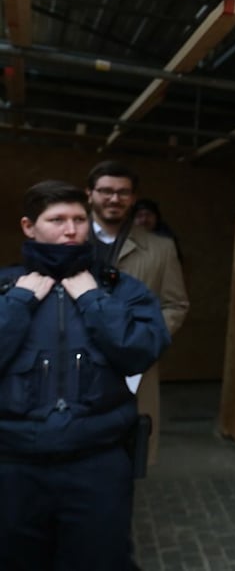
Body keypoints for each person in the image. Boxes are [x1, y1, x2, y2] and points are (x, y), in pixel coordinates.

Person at [0, 180, 170, 570]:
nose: (71, 229)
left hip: (97, 463)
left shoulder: (119, 289)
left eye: (79, 219)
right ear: (29, 226)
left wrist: (93, 299)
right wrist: (19, 302)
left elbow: (142, 350)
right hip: (13, 465)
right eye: (57, 219)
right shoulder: (8, 289)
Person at [87, 160, 189, 465]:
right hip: (75, 360)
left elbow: (175, 304)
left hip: (134, 367)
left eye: (123, 192)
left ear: (132, 198)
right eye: (105, 191)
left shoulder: (160, 248)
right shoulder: (67, 240)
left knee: (128, 451)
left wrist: (144, 339)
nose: (114, 198)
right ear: (89, 194)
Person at [132, 197, 184, 263]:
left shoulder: (167, 242)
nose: (144, 219)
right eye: (139, 216)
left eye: (148, 215)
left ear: (156, 218)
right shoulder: (126, 240)